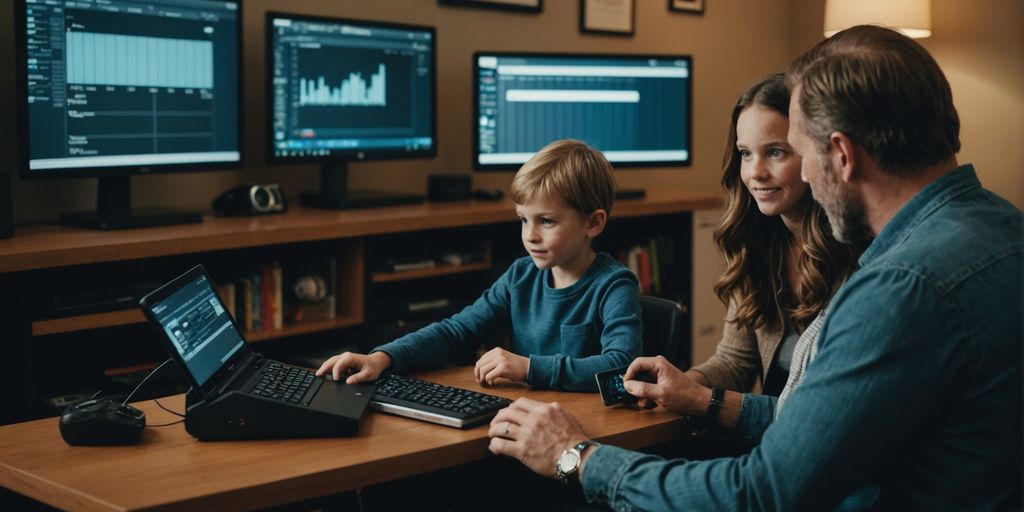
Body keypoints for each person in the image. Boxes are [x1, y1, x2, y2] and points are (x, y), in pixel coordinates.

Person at [487, 25, 1022, 510]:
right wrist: (695, 394)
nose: (803, 175)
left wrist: (576, 456)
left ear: (841, 153)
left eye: (798, 151)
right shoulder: (1004, 227)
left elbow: (762, 492)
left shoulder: (899, 287)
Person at [316, 139, 642, 392]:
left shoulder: (614, 285)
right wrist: (383, 357)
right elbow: (456, 331)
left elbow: (620, 365)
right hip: (530, 416)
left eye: (546, 221)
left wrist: (529, 368)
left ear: (594, 223)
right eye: (523, 220)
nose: (530, 236)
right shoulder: (520, 276)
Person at [684, 73, 859, 432]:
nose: (756, 173)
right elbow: (735, 361)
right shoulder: (758, 241)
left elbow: (824, 417)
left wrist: (704, 401)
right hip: (765, 443)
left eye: (776, 152)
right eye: (746, 154)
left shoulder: (856, 254)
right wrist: (685, 383)